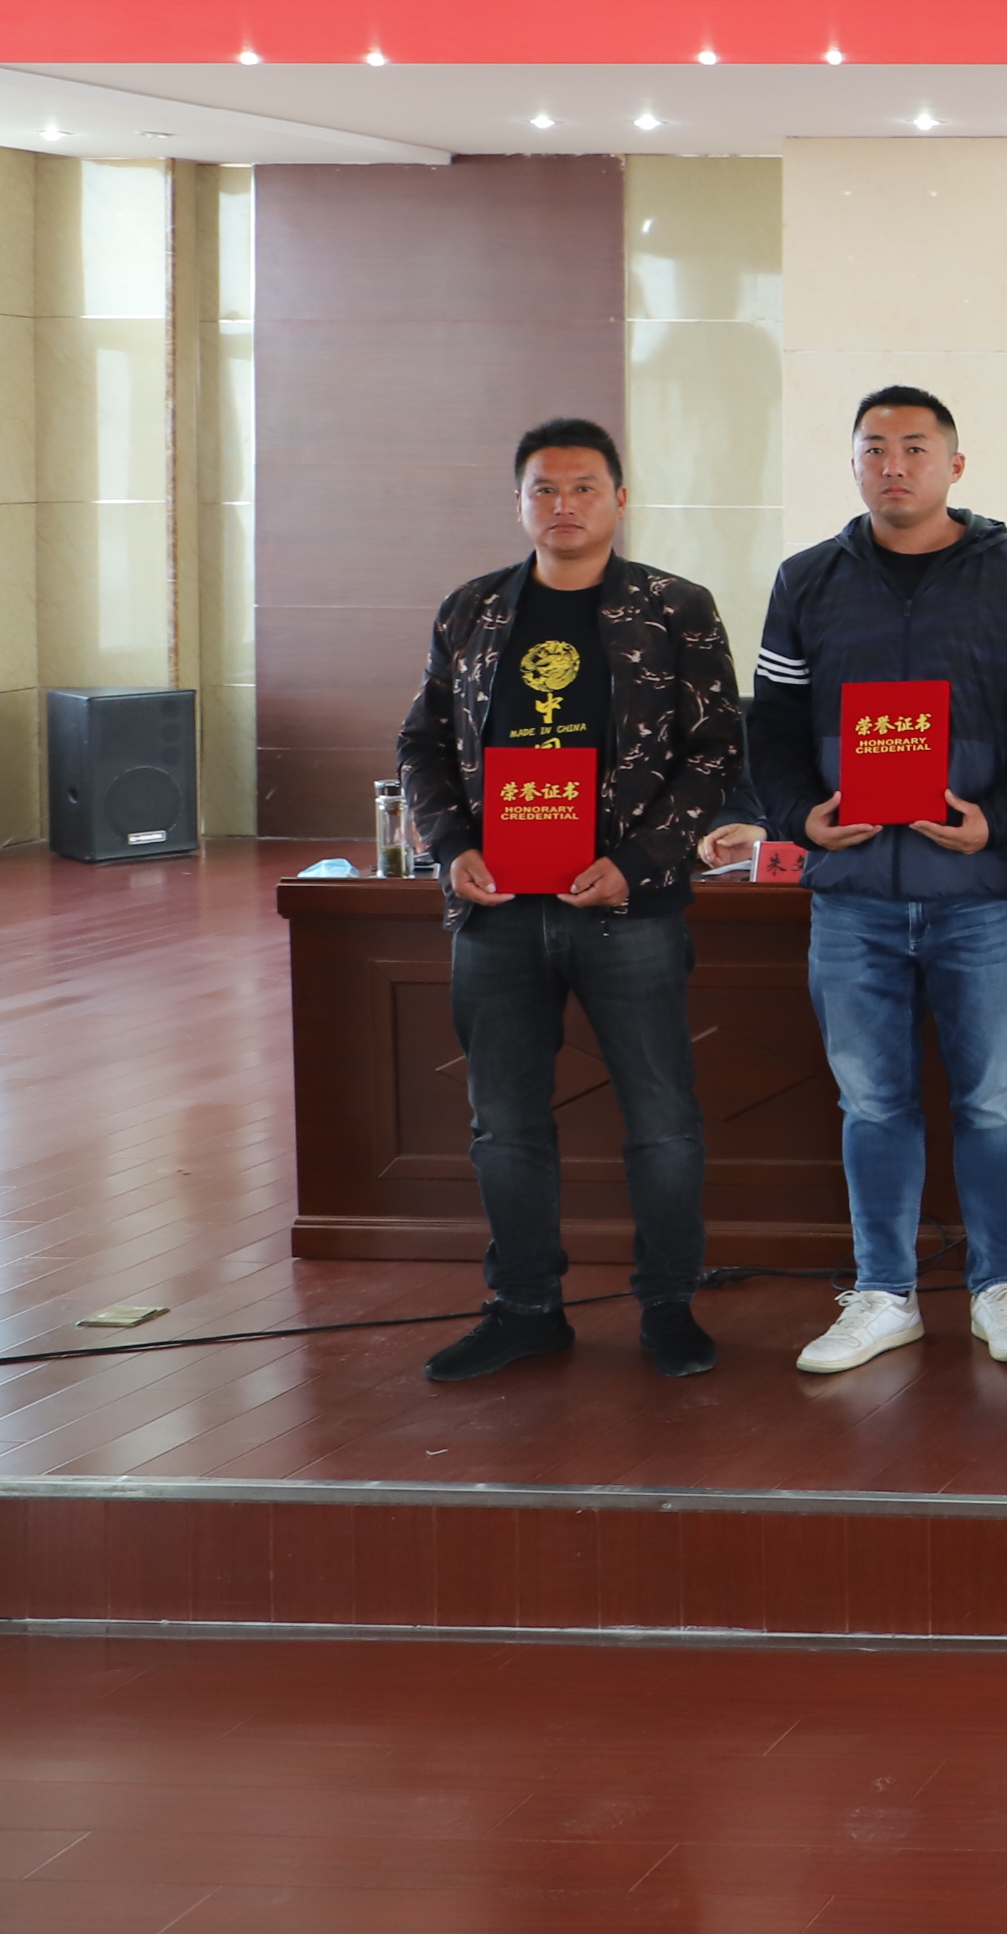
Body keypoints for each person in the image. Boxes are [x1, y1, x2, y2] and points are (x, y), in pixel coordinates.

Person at [394, 417, 752, 1384]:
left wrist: (640, 860)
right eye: (544, 489)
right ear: (519, 503)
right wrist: (453, 847)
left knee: (663, 1121)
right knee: (504, 1124)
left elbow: (716, 750)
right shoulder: (472, 610)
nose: (564, 505)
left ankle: (669, 1304)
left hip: (628, 908)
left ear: (620, 499)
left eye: (584, 487)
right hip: (499, 909)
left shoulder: (675, 608)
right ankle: (524, 1308)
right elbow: (422, 742)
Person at [748, 386, 1007, 1375]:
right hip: (853, 894)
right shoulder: (807, 579)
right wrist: (800, 817)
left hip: (980, 894)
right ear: (852, 463)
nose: (895, 465)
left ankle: (1000, 1286)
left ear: (955, 465)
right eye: (875, 448)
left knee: (992, 1101)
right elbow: (772, 724)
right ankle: (883, 1291)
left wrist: (999, 822)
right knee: (871, 1102)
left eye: (916, 447)